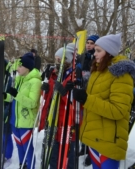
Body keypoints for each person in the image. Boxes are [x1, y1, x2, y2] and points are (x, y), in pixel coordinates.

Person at [72, 33, 135, 169]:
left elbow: (118, 110)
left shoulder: (121, 74)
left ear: (110, 52)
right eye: (95, 50)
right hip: (95, 136)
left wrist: (87, 99)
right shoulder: (98, 71)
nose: (95, 54)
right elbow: (96, 99)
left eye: (98, 51)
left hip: (110, 140)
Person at [40, 43, 77, 169]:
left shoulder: (73, 75)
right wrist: (45, 89)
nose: (57, 62)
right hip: (53, 120)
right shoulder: (55, 74)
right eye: (56, 60)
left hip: (65, 122)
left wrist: (64, 93)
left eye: (60, 60)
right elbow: (50, 97)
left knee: (65, 157)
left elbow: (75, 102)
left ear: (67, 60)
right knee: (52, 155)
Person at [5, 52, 42, 169]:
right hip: (15, 119)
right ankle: (22, 165)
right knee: (19, 146)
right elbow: (14, 98)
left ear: (27, 67)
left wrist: (16, 94)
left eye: (20, 66)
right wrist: (4, 96)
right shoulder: (19, 79)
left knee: (27, 148)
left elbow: (32, 103)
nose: (18, 68)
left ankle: (31, 166)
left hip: (26, 120)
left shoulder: (35, 81)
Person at [77, 34, 99, 166]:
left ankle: (91, 152)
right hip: (82, 93)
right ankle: (84, 146)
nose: (89, 45)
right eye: (88, 43)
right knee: (83, 122)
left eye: (92, 43)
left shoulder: (98, 58)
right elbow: (78, 71)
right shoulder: (83, 56)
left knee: (91, 124)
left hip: (93, 95)